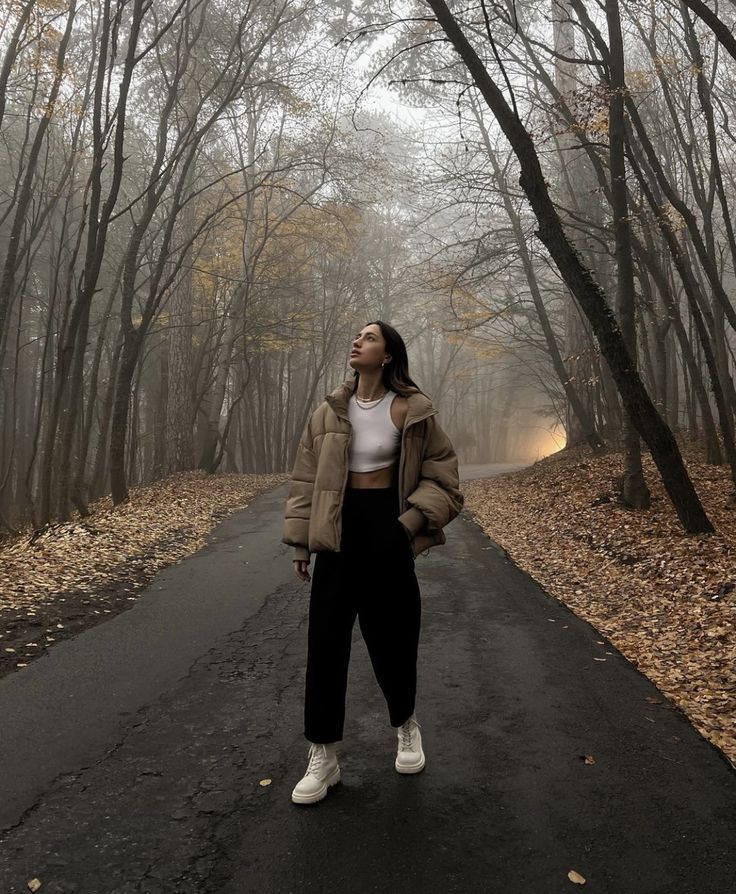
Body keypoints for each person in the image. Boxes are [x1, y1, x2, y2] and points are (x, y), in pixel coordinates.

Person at [282, 320, 464, 805]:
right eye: (357, 336)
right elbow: (305, 484)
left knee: (394, 638)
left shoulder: (412, 409)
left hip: (388, 529)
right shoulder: (328, 412)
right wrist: (302, 544)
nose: (357, 342)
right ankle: (323, 755)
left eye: (369, 337)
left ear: (387, 355)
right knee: (326, 644)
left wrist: (406, 525)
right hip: (337, 534)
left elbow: (444, 476)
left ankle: (406, 725)